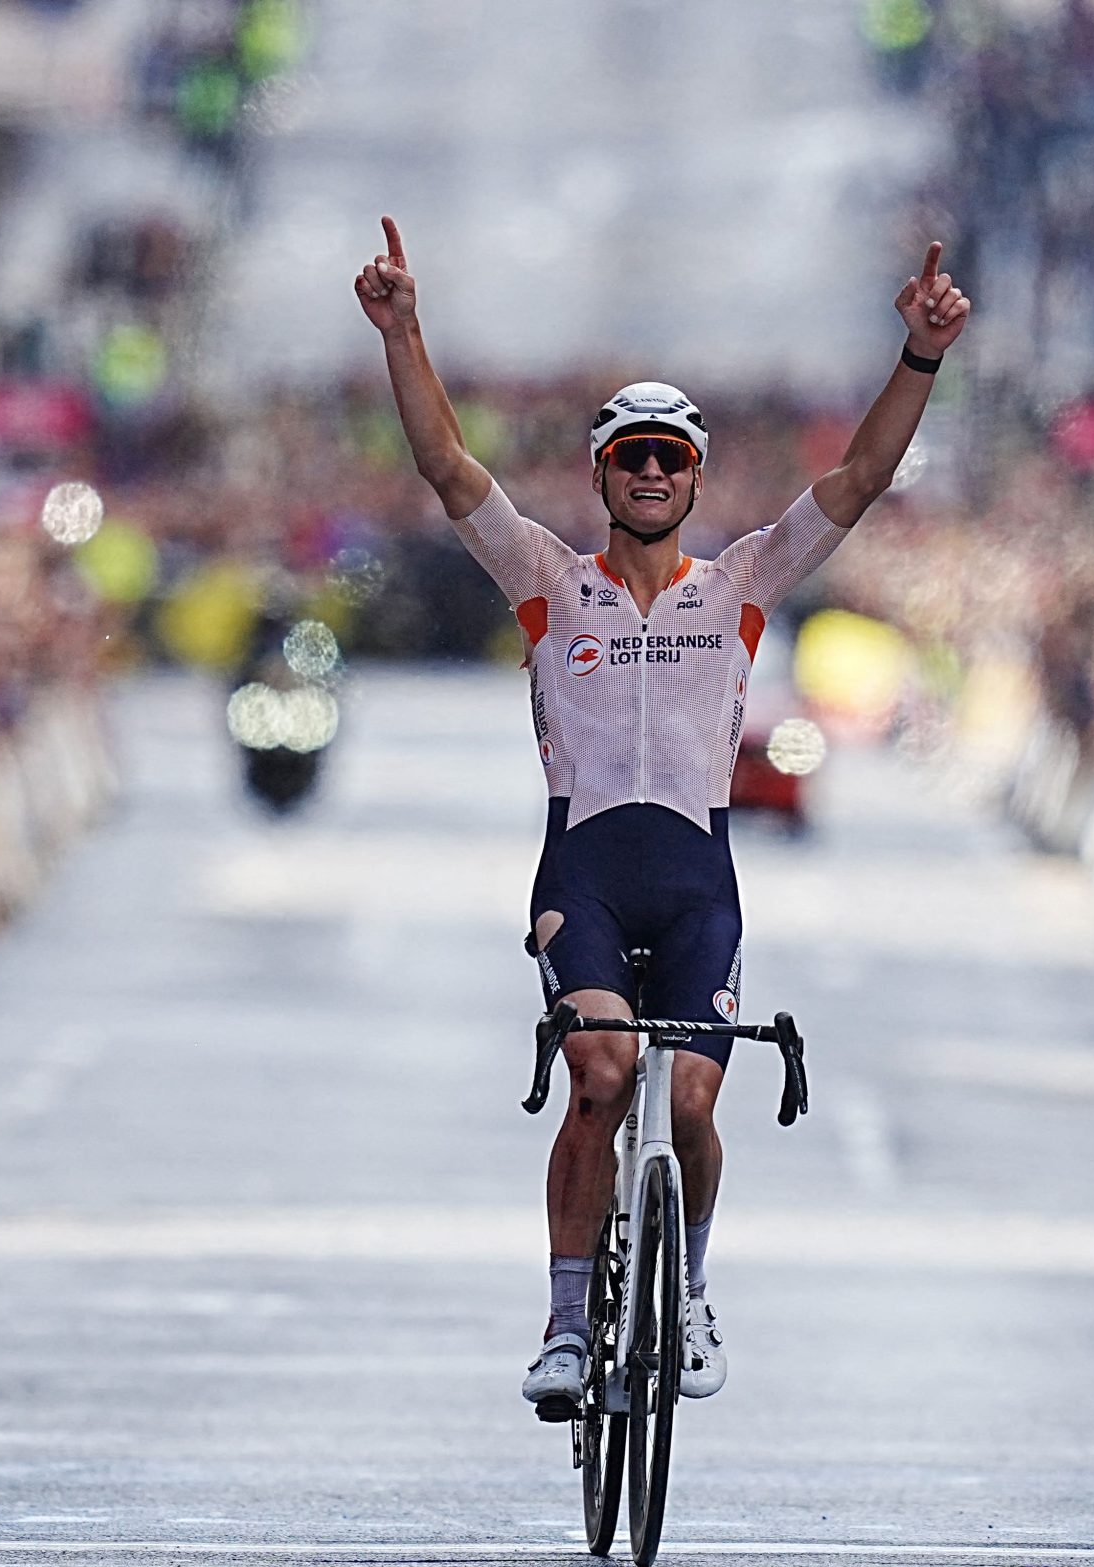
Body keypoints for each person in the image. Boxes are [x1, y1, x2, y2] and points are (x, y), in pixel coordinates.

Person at [355, 216, 970, 1415]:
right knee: (599, 1068)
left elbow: (857, 482)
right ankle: (571, 1321)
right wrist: (403, 331)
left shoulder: (738, 584)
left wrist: (921, 357)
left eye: (670, 460)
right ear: (601, 475)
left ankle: (684, 1294)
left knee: (688, 1095)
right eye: (630, 456)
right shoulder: (547, 580)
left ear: (694, 478)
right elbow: (446, 469)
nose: (650, 473)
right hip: (580, 873)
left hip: (695, 880)